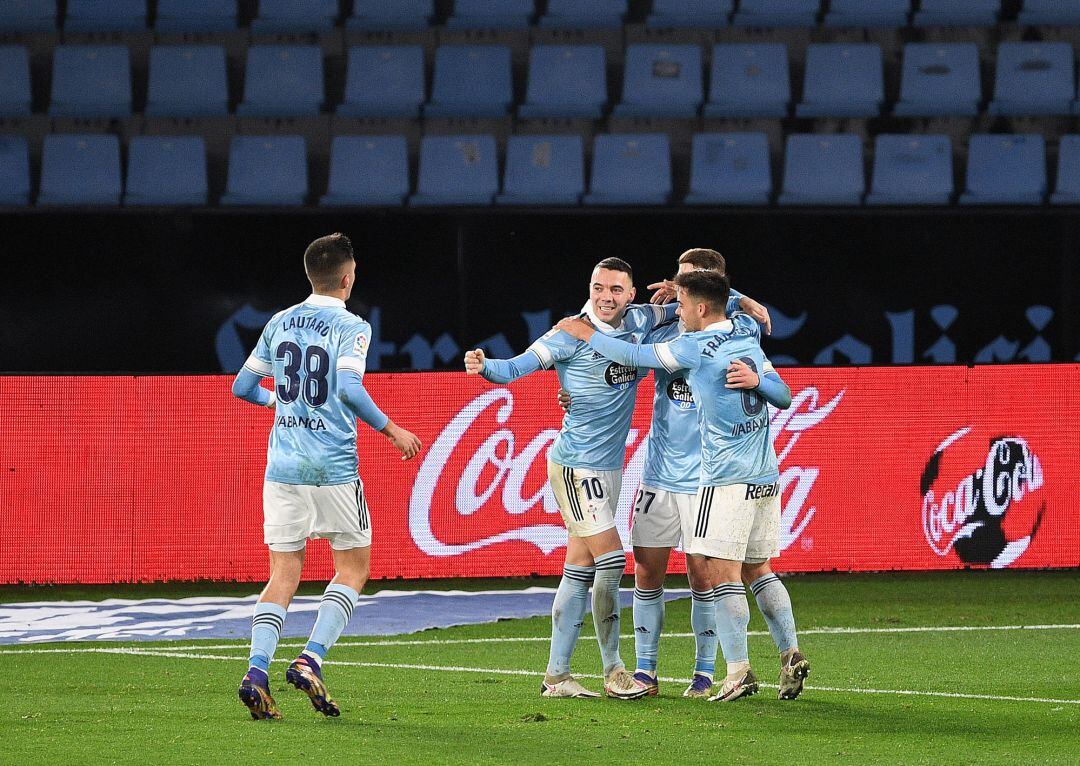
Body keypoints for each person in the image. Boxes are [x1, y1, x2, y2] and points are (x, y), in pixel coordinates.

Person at [556, 270, 809, 703]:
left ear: (704, 300)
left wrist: (582, 332)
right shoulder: (741, 330)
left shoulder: (692, 341)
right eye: (675, 282)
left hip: (715, 477)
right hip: (678, 475)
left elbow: (626, 356)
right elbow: (783, 394)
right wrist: (579, 390)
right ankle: (653, 670)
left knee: (716, 573)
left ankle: (720, 673)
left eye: (684, 288)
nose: (674, 294)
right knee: (663, 569)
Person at [465, 257, 679, 700]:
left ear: (632, 294)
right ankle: (614, 670)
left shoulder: (642, 320)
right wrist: (485, 365)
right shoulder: (568, 332)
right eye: (599, 287)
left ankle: (556, 676)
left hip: (609, 468)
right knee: (613, 561)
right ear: (590, 287)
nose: (606, 297)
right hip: (575, 466)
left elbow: (697, 306)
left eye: (616, 290)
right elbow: (515, 368)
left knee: (579, 568)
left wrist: (686, 290)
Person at [231, 233, 422, 720]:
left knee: (284, 573)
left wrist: (279, 401)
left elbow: (243, 386)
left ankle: (256, 671)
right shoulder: (351, 325)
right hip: (333, 468)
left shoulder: (279, 321)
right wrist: (392, 429)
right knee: (354, 568)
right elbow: (347, 386)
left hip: (283, 469)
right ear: (346, 277)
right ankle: (310, 658)